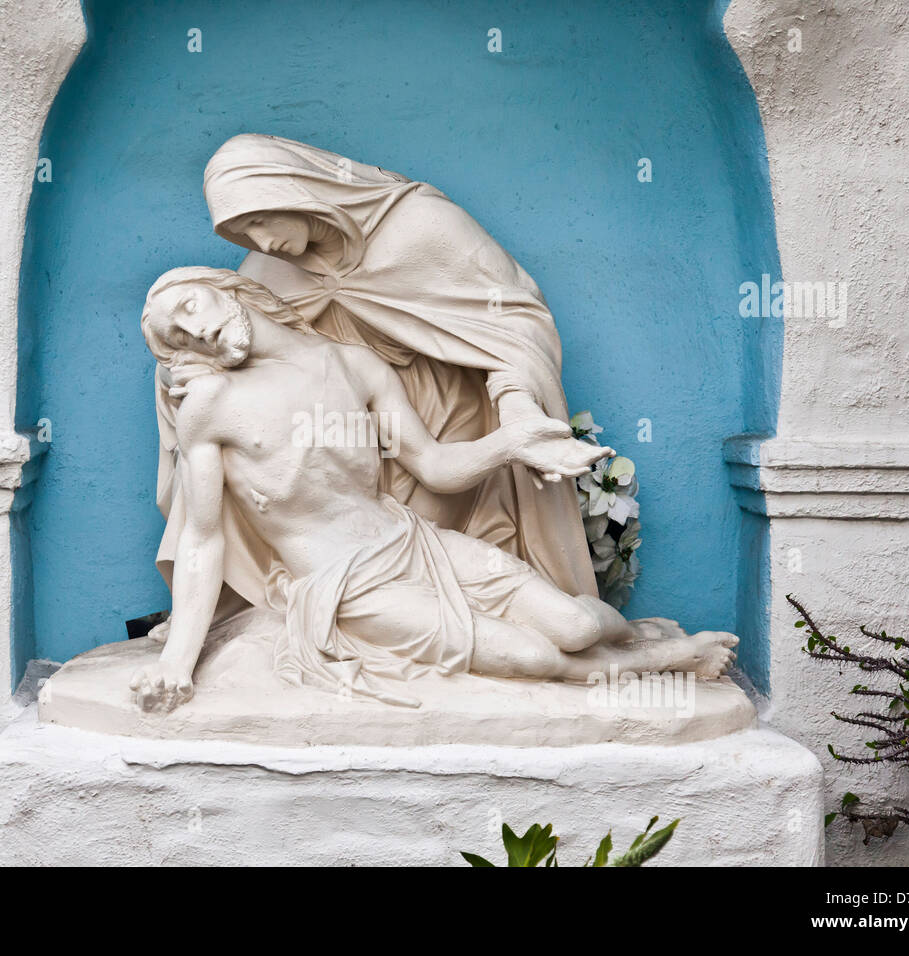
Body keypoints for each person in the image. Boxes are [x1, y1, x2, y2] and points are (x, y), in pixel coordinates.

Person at [131, 267, 736, 713]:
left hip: (412, 541)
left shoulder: (353, 365)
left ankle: (638, 632)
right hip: (346, 586)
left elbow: (437, 467)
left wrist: (513, 442)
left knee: (575, 626)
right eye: (176, 337)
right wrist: (176, 663)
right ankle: (656, 661)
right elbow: (202, 539)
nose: (193, 332)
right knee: (532, 659)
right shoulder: (211, 406)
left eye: (188, 305)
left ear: (222, 287)